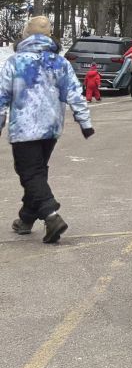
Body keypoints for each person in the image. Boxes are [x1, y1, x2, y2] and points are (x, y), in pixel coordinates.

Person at [1, 15, 93, 244]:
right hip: (51, 129)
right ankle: (25, 219)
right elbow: (74, 93)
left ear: (25, 35)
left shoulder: (15, 62)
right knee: (37, 172)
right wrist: (85, 122)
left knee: (30, 173)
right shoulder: (60, 63)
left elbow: (2, 95)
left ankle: (51, 215)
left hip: (24, 129)